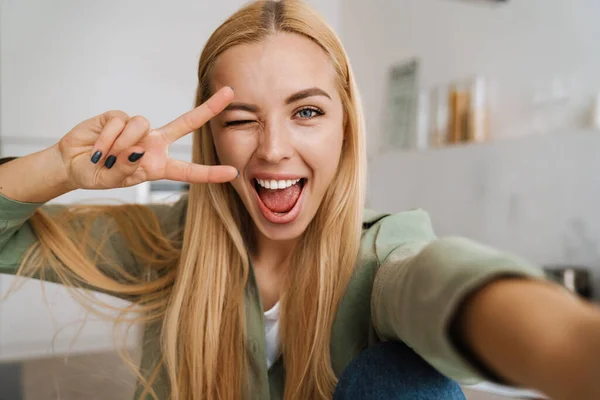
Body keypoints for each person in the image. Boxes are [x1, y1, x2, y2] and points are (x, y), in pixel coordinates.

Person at [0, 1, 599, 399]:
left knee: (404, 378)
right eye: (242, 119)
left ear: (346, 127)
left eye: (307, 112)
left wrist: (575, 346)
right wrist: (55, 168)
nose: (274, 150)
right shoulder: (168, 243)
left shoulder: (383, 255)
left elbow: (438, 284)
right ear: (212, 133)